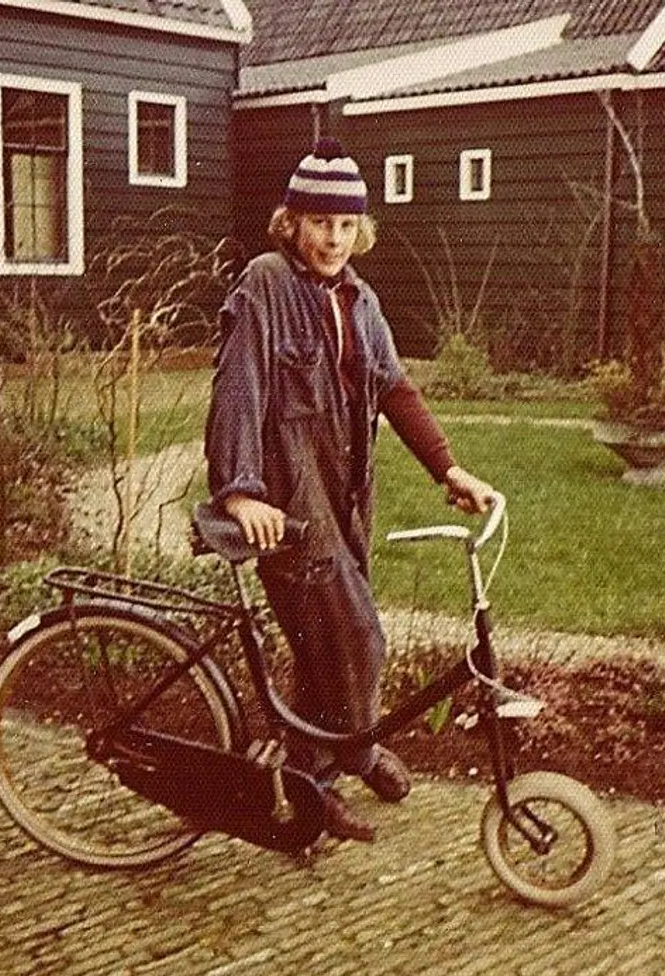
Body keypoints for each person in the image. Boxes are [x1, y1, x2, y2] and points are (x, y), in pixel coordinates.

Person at [205, 137, 495, 842]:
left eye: (345, 224)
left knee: (325, 646)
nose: (333, 239)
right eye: (319, 222)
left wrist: (448, 468)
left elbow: (394, 387)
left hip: (347, 500)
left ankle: (322, 770)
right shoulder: (266, 284)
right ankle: (344, 763)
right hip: (288, 506)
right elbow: (237, 390)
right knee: (358, 638)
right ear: (291, 222)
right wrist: (241, 492)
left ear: (360, 228)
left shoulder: (361, 300)